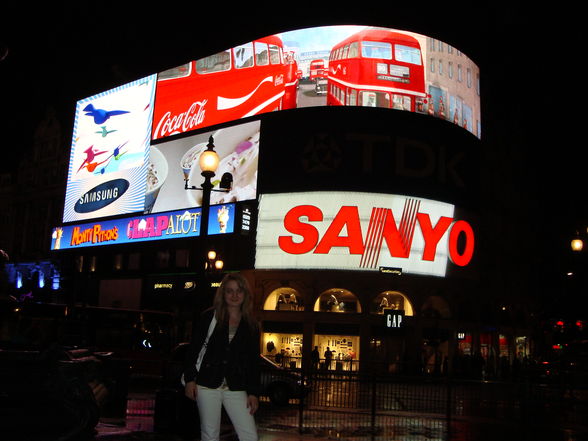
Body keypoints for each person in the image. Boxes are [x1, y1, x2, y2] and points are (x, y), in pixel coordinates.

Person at [183, 273, 260, 441]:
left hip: (236, 385)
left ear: (245, 294)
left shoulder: (251, 324)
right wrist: (190, 379)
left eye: (239, 291)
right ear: (223, 294)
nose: (234, 295)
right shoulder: (209, 317)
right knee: (210, 435)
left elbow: (253, 362)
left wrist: (253, 392)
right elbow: (193, 350)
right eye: (229, 291)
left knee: (250, 435)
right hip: (207, 383)